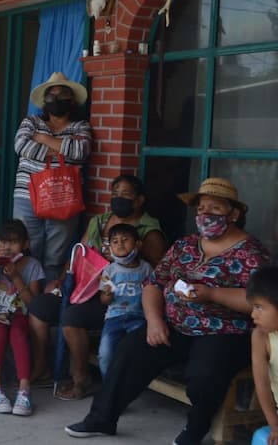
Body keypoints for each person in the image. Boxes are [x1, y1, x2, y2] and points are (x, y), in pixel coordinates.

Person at [66, 177, 271, 445]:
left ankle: (194, 431)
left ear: (233, 214)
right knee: (130, 349)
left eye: (215, 209)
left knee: (205, 373)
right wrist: (153, 320)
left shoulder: (251, 253)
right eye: (201, 209)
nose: (205, 215)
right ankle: (102, 418)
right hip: (175, 325)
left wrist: (213, 294)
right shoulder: (185, 245)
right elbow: (154, 283)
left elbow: (260, 299)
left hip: (224, 331)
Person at [27, 174, 167, 400]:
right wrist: (61, 281)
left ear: (139, 200)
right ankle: (43, 368)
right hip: (84, 287)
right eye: (115, 194)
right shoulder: (100, 222)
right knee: (39, 306)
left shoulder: (148, 230)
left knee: (72, 318)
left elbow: (158, 272)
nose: (118, 199)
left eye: (126, 195)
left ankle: (82, 380)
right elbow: (78, 253)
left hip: (117, 298)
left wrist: (123, 260)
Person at [13, 71, 92, 283]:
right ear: (44, 101)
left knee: (55, 257)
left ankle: (47, 302)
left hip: (64, 198)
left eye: (62, 94)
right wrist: (61, 148)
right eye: (51, 95)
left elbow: (79, 152)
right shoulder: (31, 121)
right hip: (27, 196)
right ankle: (24, 301)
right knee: (26, 250)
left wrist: (43, 138)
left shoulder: (81, 126)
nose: (56, 100)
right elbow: (21, 146)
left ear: (72, 100)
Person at [0, 219, 45, 415]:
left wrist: (16, 277)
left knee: (17, 333)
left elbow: (33, 304)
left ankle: (24, 390)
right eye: (3, 242)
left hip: (21, 314)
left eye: (14, 242)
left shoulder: (32, 265)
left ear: (25, 244)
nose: (7, 247)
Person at [97, 223, 152, 377]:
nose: (120, 244)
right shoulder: (109, 270)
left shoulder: (146, 268)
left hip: (138, 318)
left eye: (125, 239)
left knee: (137, 353)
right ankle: (108, 388)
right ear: (110, 247)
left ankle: (130, 384)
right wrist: (107, 295)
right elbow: (104, 300)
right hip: (113, 318)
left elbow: (153, 292)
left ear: (138, 244)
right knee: (105, 354)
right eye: (115, 241)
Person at [247, 266, 278, 445]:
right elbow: (262, 386)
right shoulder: (261, 337)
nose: (253, 315)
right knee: (262, 438)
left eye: (259, 307)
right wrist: (275, 425)